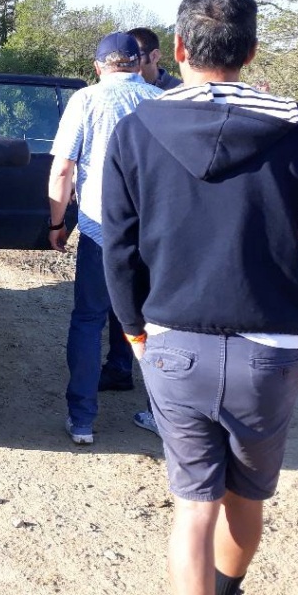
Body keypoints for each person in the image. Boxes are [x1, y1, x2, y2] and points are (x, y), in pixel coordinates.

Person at [102, 0, 298, 595]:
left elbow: (118, 248)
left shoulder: (136, 129)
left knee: (193, 507)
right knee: (245, 497)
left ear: (180, 46)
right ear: (252, 51)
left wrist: (134, 326)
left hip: (172, 342)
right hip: (269, 351)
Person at [48, 32, 163, 445]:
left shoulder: (85, 100)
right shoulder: (161, 102)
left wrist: (57, 223)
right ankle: (160, 414)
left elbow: (63, 170)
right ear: (138, 62)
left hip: (100, 229)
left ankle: (82, 421)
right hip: (154, 234)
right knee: (153, 323)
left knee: (87, 319)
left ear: (98, 66)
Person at [99, 26, 184, 436]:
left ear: (152, 57)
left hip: (153, 226)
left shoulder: (176, 98)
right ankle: (120, 369)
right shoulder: (160, 98)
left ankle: (164, 406)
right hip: (136, 219)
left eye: (138, 58)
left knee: (155, 314)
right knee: (125, 304)